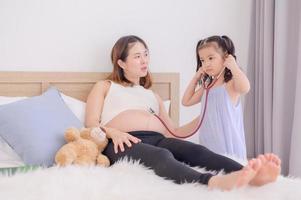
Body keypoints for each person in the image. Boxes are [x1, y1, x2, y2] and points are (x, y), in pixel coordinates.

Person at [85, 35, 281, 191]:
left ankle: (249, 173)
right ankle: (213, 183)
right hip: (123, 141)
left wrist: (206, 115)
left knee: (197, 151)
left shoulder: (153, 95)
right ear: (121, 63)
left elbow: (173, 132)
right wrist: (114, 133)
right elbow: (90, 123)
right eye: (137, 56)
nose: (145, 60)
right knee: (161, 156)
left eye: (146, 54)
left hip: (158, 138)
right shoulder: (105, 86)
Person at [182, 35, 249, 160]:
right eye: (202, 60)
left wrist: (234, 67)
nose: (206, 64)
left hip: (229, 147)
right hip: (209, 146)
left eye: (211, 58)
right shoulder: (208, 86)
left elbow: (245, 88)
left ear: (225, 57)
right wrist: (196, 77)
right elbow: (186, 101)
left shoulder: (230, 84)